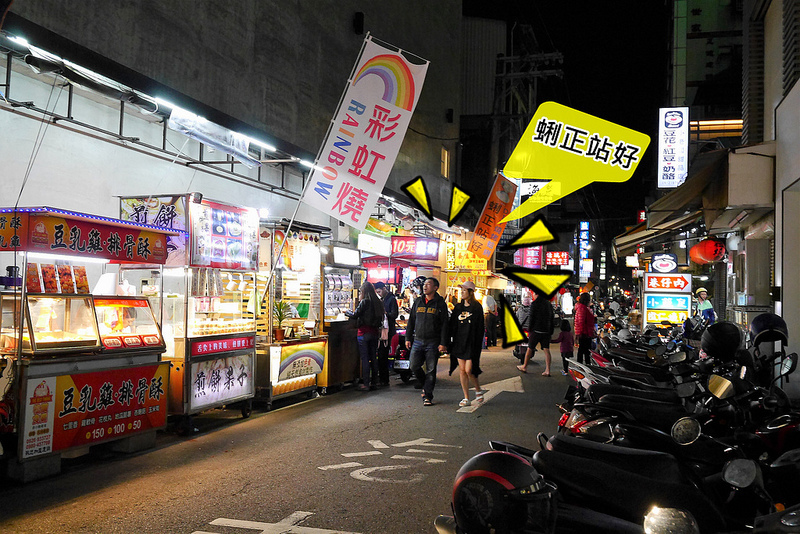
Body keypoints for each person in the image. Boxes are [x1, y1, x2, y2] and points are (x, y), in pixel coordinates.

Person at [405, 277, 449, 406]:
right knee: (413, 365)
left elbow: (445, 325)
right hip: (418, 340)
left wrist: (443, 343)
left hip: (433, 342)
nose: (425, 286)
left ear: (435, 287)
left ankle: (428, 396)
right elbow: (411, 321)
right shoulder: (418, 301)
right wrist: (408, 338)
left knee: (431, 369)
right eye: (424, 284)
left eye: (428, 284)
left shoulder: (440, 304)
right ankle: (426, 385)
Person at [447, 281, 485, 407]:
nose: (461, 292)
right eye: (461, 290)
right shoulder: (458, 307)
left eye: (464, 290)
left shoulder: (477, 307)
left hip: (472, 342)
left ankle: (478, 389)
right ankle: (466, 397)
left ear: (470, 292)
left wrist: (479, 343)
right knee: (462, 370)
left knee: (469, 369)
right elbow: (452, 324)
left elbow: (480, 327)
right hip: (459, 342)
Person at [346, 281, 385, 391]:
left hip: (363, 333)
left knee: (365, 358)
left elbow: (355, 315)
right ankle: (374, 382)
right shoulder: (378, 301)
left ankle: (366, 384)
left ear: (363, 291)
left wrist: (346, 312)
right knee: (373, 358)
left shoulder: (365, 301)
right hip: (374, 333)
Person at [516, 291, 554, 376]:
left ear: (537, 294)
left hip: (536, 330)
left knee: (530, 348)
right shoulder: (548, 304)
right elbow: (551, 318)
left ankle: (524, 366)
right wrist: (550, 331)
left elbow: (532, 318)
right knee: (546, 350)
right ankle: (547, 370)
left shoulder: (534, 304)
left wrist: (530, 329)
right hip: (546, 331)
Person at [374, 281, 398, 387]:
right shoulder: (381, 300)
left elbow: (394, 314)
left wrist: (385, 314)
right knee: (381, 355)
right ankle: (383, 378)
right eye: (377, 292)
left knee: (383, 355)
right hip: (382, 331)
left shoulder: (391, 299)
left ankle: (384, 379)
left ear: (384, 289)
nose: (379, 293)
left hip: (388, 332)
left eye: (379, 291)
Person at [574, 292, 596, 365]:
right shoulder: (582, 308)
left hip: (585, 333)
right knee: (584, 351)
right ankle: (584, 366)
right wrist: (581, 333)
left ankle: (584, 365)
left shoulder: (583, 308)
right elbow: (581, 322)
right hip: (584, 333)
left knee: (584, 351)